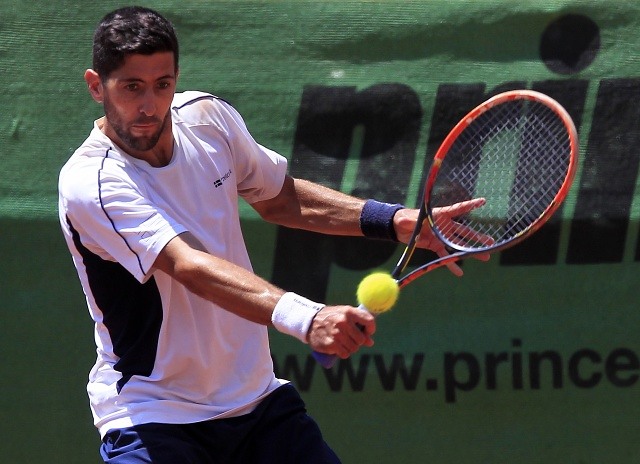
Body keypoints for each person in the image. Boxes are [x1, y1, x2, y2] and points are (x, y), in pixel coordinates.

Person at [58, 6, 485, 463]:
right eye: (131, 87)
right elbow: (188, 265)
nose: (148, 106)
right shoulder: (93, 181)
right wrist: (308, 318)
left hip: (258, 404)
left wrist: (396, 221)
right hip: (153, 417)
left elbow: (280, 198)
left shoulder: (207, 119)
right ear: (95, 86)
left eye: (162, 85)